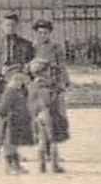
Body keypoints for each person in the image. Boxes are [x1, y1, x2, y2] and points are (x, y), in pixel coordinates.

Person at [0, 12, 36, 172]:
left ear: (17, 26)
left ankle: (14, 152)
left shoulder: (26, 45)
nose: (9, 28)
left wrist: (20, 73)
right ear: (2, 26)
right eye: (6, 25)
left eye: (12, 25)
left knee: (15, 119)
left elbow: (30, 66)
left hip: (16, 83)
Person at [27, 19, 70, 173]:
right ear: (36, 33)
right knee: (40, 124)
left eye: (45, 32)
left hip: (53, 88)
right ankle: (43, 159)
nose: (43, 35)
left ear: (50, 33)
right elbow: (27, 68)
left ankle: (52, 159)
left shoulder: (56, 48)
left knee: (54, 122)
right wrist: (32, 71)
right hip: (37, 90)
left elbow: (62, 67)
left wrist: (63, 84)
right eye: (40, 32)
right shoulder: (32, 48)